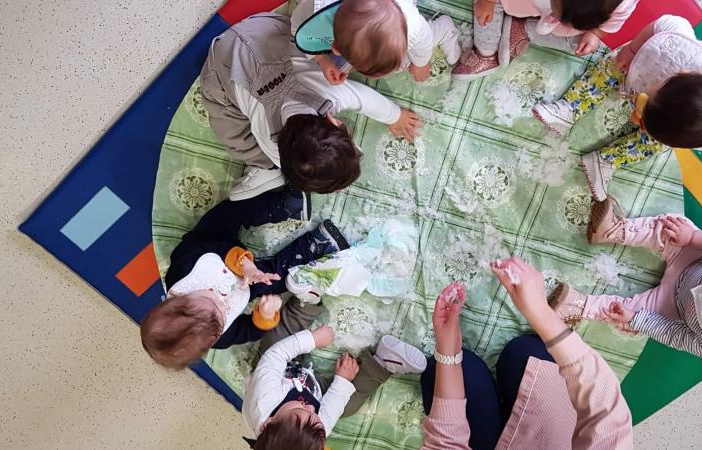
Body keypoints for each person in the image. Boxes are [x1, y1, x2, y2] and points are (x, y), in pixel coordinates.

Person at [549, 196, 702, 385]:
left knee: (627, 318)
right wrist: (692, 238)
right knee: (674, 227)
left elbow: (675, 334)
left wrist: (636, 318)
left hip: (673, 304)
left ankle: (580, 305)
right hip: (693, 258)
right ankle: (614, 230)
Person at [199, 12, 422, 200]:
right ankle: (265, 169)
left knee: (233, 132)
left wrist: (395, 116)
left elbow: (364, 98)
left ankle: (266, 169)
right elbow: (364, 99)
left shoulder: (329, 93)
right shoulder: (270, 143)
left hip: (253, 37)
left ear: (334, 121)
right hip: (250, 38)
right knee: (237, 139)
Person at [420, 259, 634, 449]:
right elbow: (606, 410)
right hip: (551, 439)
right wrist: (541, 314)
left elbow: (444, 444)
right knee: (526, 352)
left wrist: (448, 353)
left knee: (438, 371)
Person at [532, 15, 702, 201]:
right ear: (683, 73)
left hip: (669, 112)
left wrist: (651, 127)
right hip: (641, 60)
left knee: (657, 144)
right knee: (612, 65)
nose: (635, 115)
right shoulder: (676, 41)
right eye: (649, 98)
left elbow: (678, 135)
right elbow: (659, 24)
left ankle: (607, 159)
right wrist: (631, 50)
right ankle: (569, 107)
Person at [139, 187, 350, 369]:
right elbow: (250, 330)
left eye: (211, 301)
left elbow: (211, 247)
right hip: (242, 284)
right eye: (222, 315)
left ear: (178, 298)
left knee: (230, 211)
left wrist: (244, 264)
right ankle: (315, 246)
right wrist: (265, 315)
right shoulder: (218, 336)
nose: (222, 302)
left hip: (218, 245)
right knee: (273, 281)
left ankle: (284, 206)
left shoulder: (183, 270)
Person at [242, 324, 427, 448]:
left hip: (283, 373)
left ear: (268, 423)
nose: (310, 407)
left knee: (274, 342)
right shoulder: (314, 429)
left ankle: (304, 300)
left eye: (301, 409)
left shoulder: (263, 399)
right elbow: (331, 409)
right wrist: (342, 380)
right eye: (315, 415)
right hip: (315, 388)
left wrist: (313, 339)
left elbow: (276, 355)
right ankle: (383, 362)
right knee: (348, 406)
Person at [452, 0, 638, 80]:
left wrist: (595, 33)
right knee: (485, 10)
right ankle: (486, 52)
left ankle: (522, 29)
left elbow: (614, 21)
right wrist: (488, 2)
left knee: (583, 43)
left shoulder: (622, 4)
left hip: (567, 20)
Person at [290, 0, 461, 84]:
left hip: (410, 24)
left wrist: (421, 63)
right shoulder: (313, 12)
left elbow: (424, 41)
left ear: (336, 48)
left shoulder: (412, 24)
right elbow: (298, 28)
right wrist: (322, 60)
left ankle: (444, 29)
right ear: (335, 47)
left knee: (416, 50)